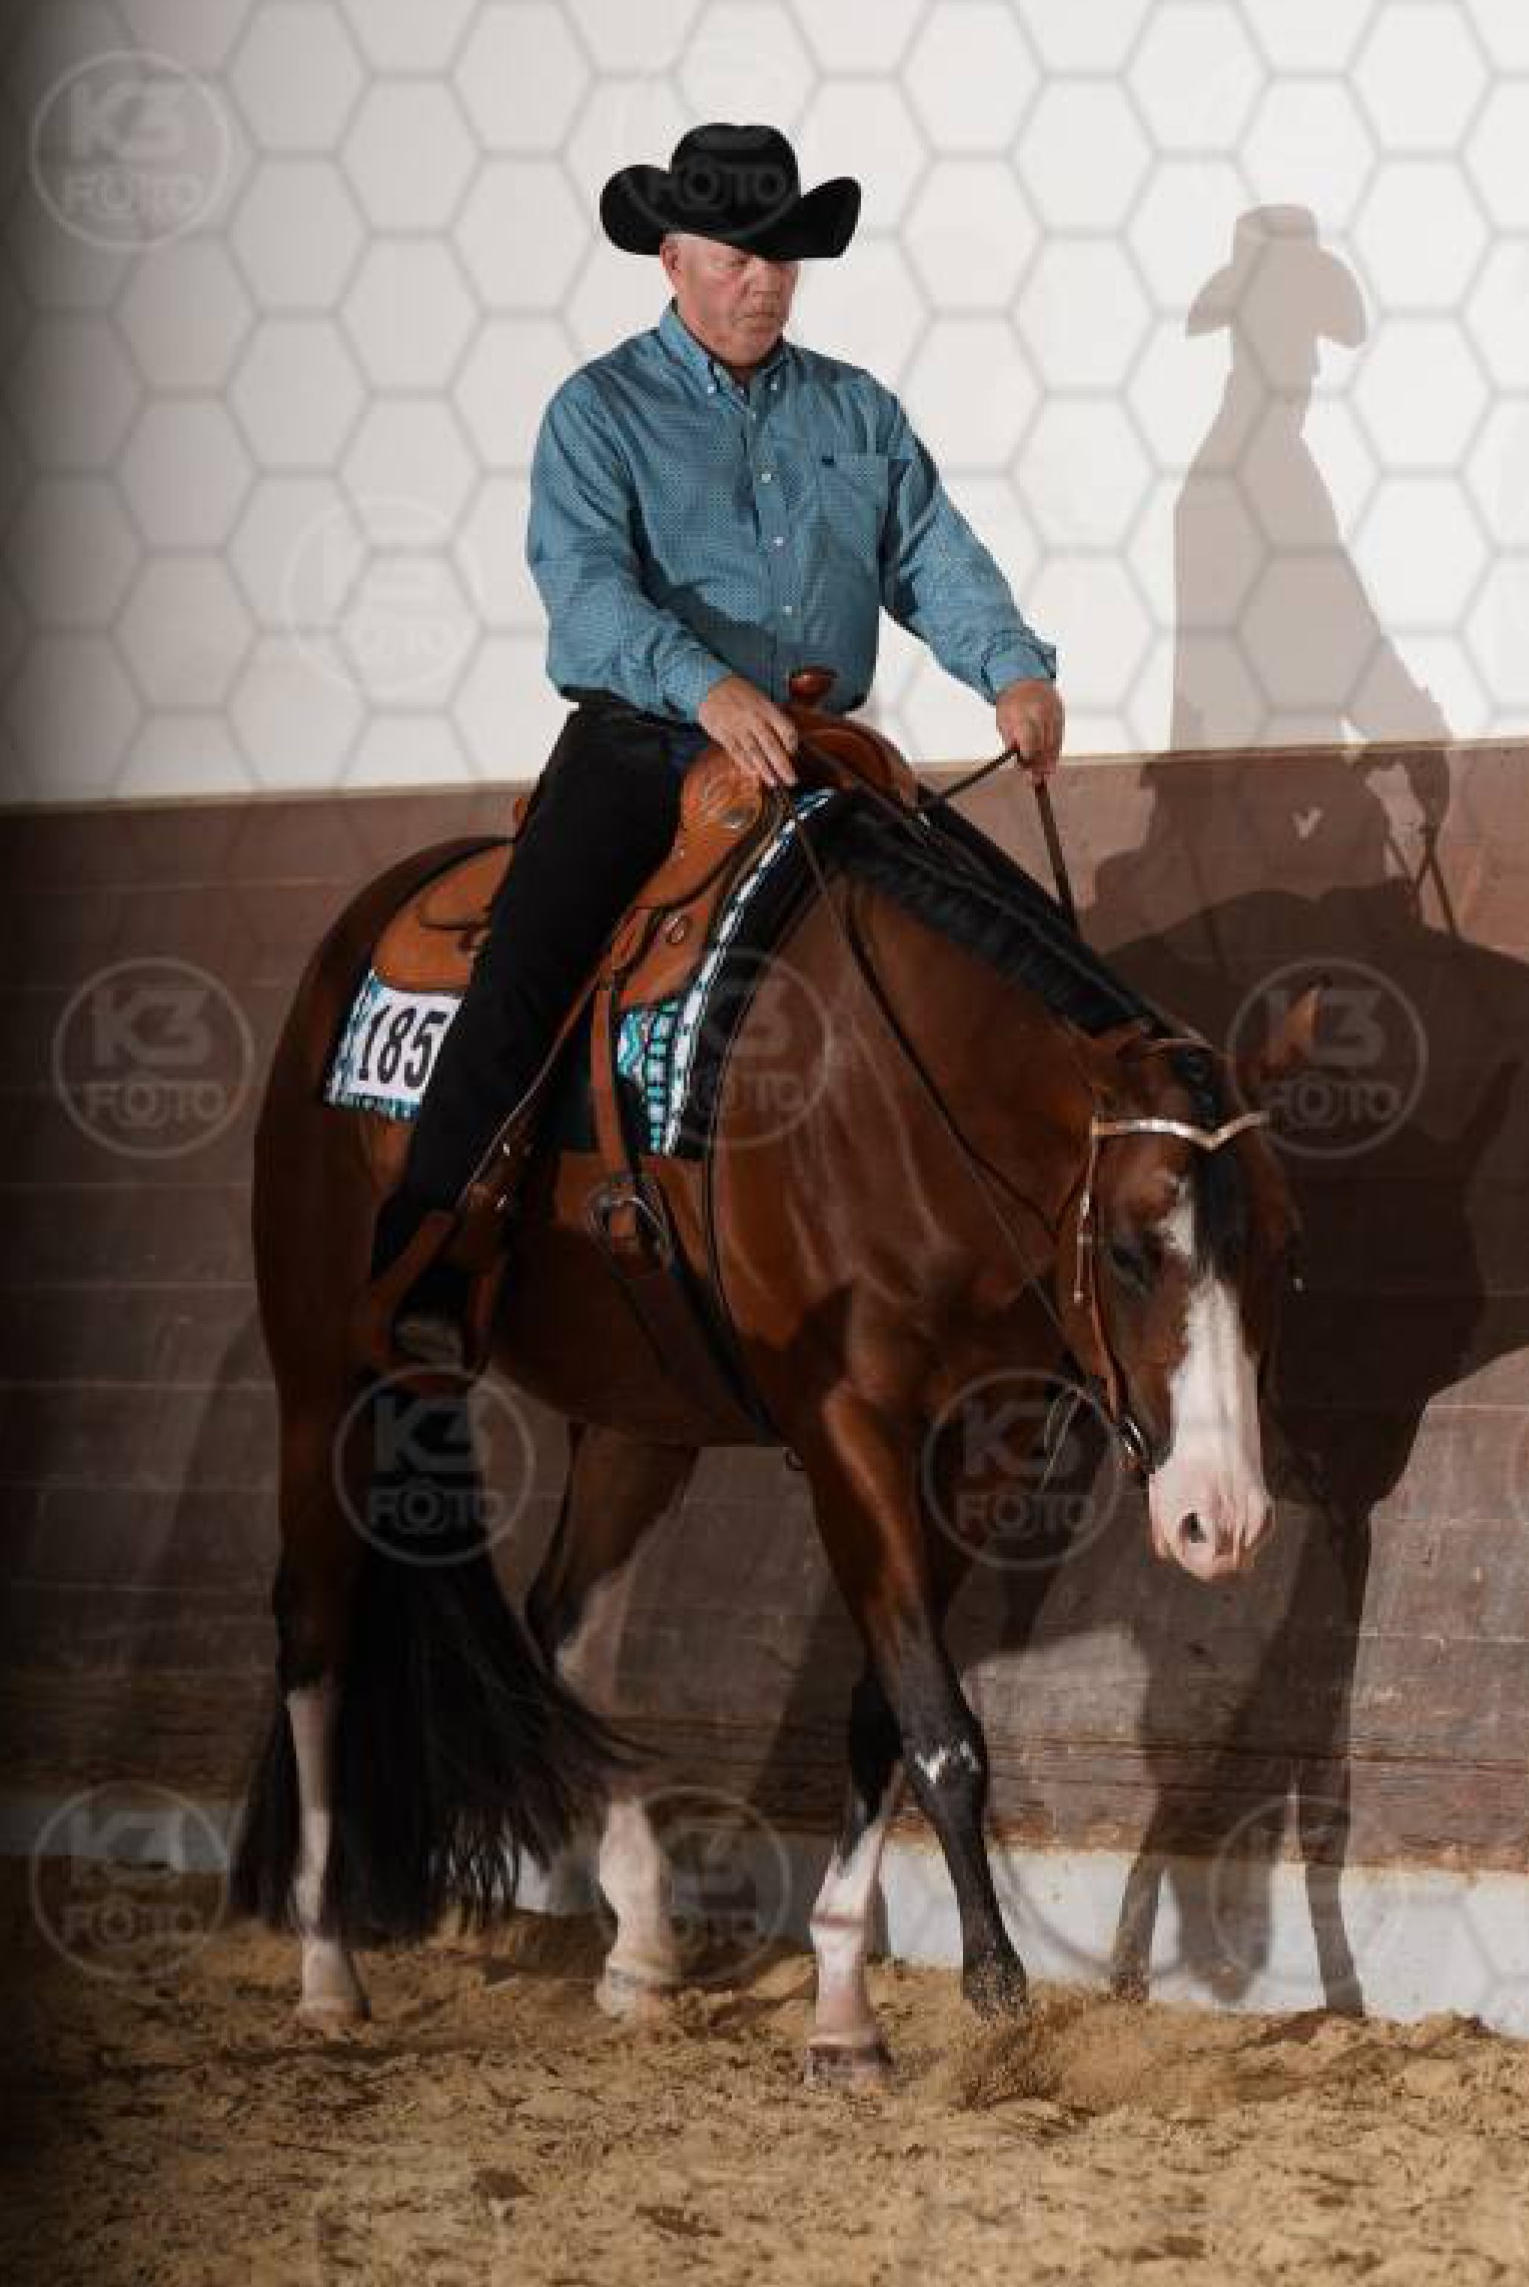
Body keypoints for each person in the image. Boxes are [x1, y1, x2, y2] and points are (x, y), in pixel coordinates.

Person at [361, 120, 1066, 1369]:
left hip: (822, 752)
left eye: (779, 258)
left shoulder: (856, 409)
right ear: (672, 259)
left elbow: (929, 558)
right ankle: (435, 1242)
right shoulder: (599, 412)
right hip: (643, 744)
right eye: (735, 257)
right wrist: (705, 686)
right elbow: (586, 593)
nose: (762, 282)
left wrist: (1009, 668)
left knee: (1016, 938)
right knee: (531, 956)